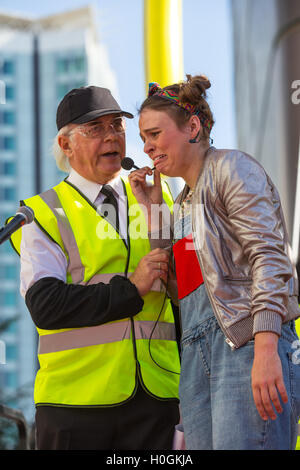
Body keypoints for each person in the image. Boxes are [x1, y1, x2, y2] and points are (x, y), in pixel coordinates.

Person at [129, 75, 300, 450]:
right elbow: (181, 290)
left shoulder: (231, 168)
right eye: (144, 138)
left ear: (192, 127)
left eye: (155, 134)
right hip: (197, 357)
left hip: (246, 346)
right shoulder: (182, 203)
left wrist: (267, 348)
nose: (147, 147)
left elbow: (269, 257)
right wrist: (155, 211)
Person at [9, 86, 180, 450]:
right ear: (65, 144)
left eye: (117, 126)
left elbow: (185, 295)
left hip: (159, 399)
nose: (111, 137)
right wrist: (131, 289)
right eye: (95, 129)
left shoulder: (159, 197)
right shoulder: (42, 214)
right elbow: (47, 306)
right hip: (75, 407)